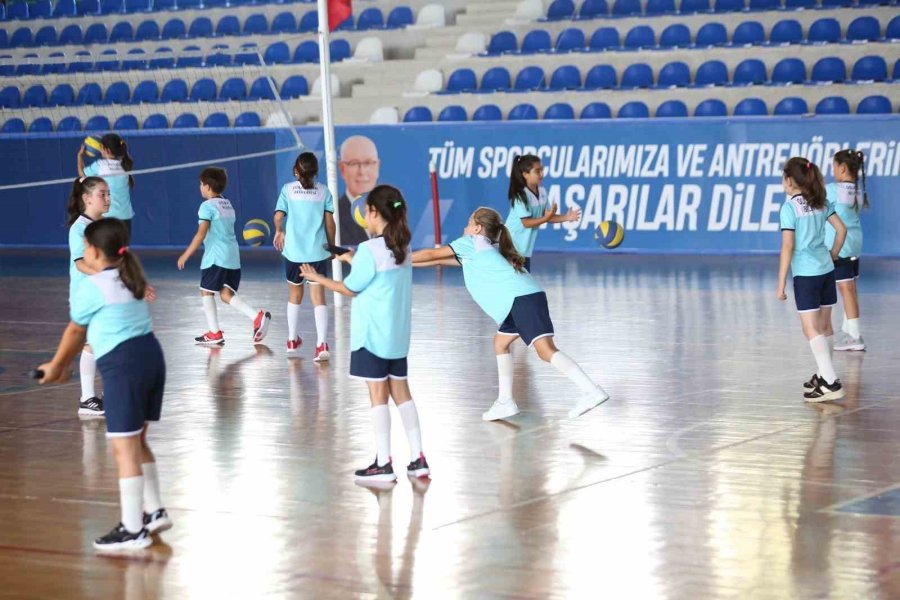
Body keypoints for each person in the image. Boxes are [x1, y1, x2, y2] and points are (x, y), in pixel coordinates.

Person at [38, 219, 172, 551]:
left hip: (125, 367)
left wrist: (56, 366)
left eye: (86, 247)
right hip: (152, 360)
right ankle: (154, 511)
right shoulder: (130, 276)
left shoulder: (93, 286)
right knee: (138, 441)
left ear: (96, 252)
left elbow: (75, 332)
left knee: (123, 450)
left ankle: (132, 529)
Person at [412, 207, 609, 420]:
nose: (465, 227)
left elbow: (431, 254)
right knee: (500, 343)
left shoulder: (470, 243)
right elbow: (437, 260)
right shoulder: (483, 250)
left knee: (545, 351)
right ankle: (505, 402)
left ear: (477, 228)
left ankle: (591, 390)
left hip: (521, 300)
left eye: (469, 223)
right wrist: (402, 263)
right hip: (522, 299)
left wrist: (398, 256)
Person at [300, 185, 430, 483]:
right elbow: (373, 265)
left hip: (372, 336)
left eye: (367, 211)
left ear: (372, 212)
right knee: (402, 393)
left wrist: (317, 277)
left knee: (377, 396)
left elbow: (350, 288)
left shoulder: (370, 251)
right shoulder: (402, 247)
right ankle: (418, 459)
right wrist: (350, 258)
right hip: (396, 337)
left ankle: (383, 463)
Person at [776, 157, 847, 402]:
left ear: (789, 180)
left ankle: (831, 382)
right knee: (825, 327)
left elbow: (788, 246)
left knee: (810, 329)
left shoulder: (789, 208)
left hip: (806, 275)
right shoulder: (821, 202)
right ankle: (823, 375)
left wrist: (781, 282)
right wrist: (834, 254)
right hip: (826, 270)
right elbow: (842, 230)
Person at [177, 167, 271, 346]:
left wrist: (186, 254)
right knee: (226, 294)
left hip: (216, 257)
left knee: (206, 291)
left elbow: (201, 234)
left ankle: (214, 333)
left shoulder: (206, 207)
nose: (200, 187)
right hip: (232, 257)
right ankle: (256, 317)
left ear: (207, 186)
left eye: (201, 184)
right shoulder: (227, 204)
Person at [273, 152, 336, 360]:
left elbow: (278, 216)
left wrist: (279, 231)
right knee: (318, 298)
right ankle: (321, 345)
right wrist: (332, 246)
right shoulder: (324, 192)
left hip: (293, 252)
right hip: (317, 252)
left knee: (294, 295)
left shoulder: (288, 189)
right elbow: (330, 224)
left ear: (295, 171)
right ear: (316, 171)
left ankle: (292, 340)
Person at [67, 177, 110, 417]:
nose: (108, 198)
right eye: (102, 194)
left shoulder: (105, 226)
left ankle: (105, 393)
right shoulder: (79, 228)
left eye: (108, 194)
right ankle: (86, 398)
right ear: (87, 198)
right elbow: (80, 263)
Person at [506, 154, 580, 271]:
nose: (541, 174)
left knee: (524, 280)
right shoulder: (520, 195)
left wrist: (566, 217)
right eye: (537, 171)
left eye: (542, 170)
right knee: (519, 281)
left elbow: (548, 216)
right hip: (510, 247)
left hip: (524, 250)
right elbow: (526, 222)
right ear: (525, 174)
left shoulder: (542, 191)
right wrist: (546, 218)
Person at [827, 150, 868, 352]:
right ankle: (848, 330)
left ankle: (854, 336)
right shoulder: (857, 190)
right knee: (850, 288)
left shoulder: (832, 190)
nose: (833, 171)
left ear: (842, 168)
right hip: (855, 244)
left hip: (841, 246)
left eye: (834, 167)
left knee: (846, 289)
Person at [77, 134, 135, 234]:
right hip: (126, 217)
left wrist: (80, 156)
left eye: (101, 147)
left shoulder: (100, 165)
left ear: (106, 150)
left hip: (108, 217)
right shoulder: (125, 165)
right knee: (122, 245)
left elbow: (82, 174)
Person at [337, 135, 380, 246]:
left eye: (368, 163)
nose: (362, 171)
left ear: (377, 166)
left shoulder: (391, 211)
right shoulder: (333, 215)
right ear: (342, 168)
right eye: (354, 163)